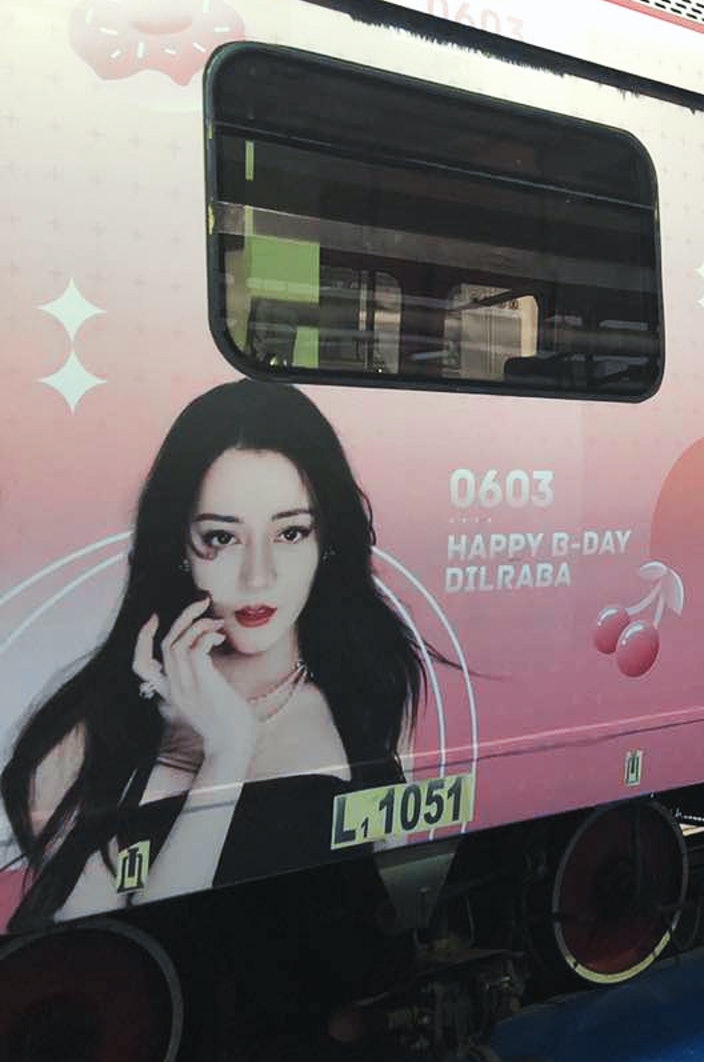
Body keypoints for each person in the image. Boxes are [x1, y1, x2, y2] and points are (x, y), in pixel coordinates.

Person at [2, 380, 425, 929]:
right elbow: (126, 955)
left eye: (291, 533)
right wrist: (226, 754)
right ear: (180, 546)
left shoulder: (374, 684)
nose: (258, 577)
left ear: (327, 541)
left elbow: (385, 903)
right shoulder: (83, 737)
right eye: (223, 538)